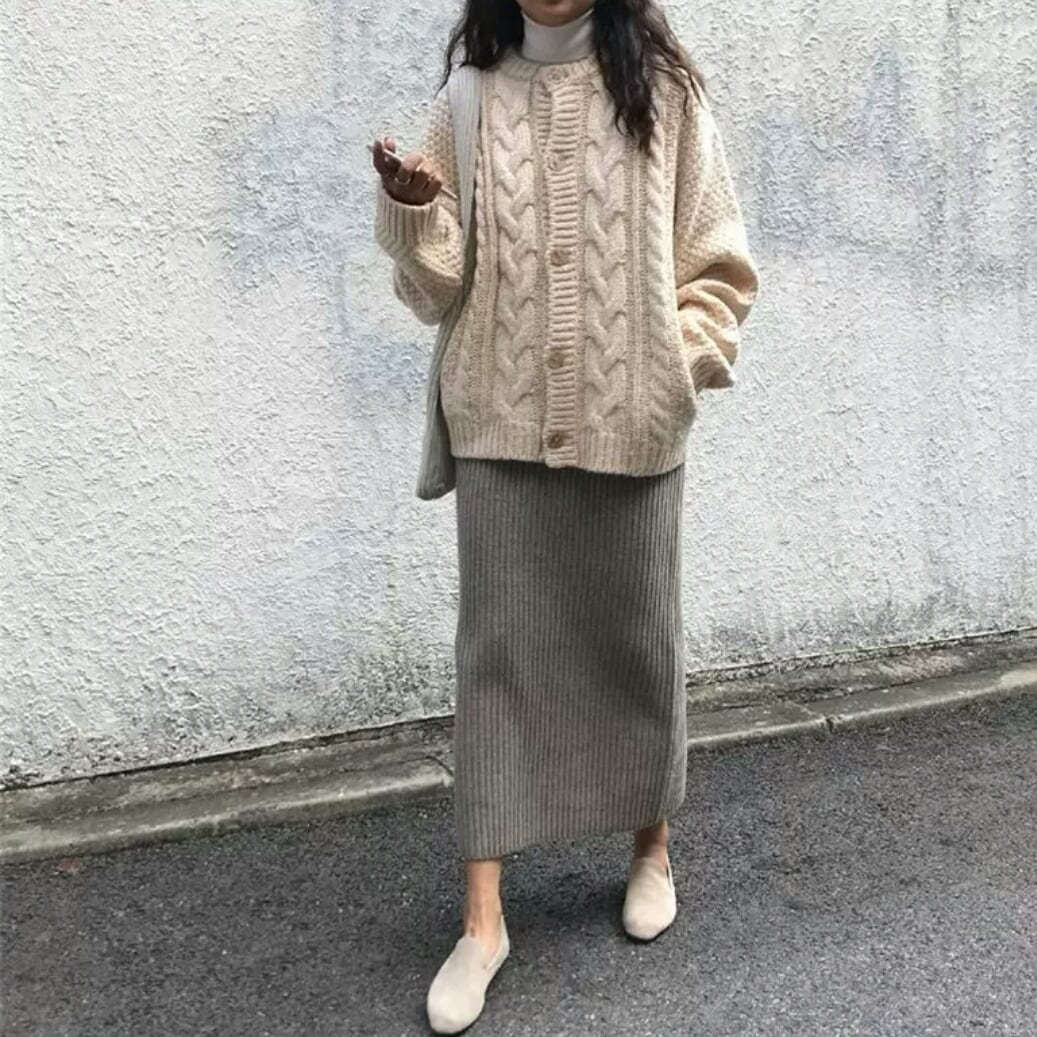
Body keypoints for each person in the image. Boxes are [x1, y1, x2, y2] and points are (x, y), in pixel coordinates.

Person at [371, 0, 759, 1031]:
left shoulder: (665, 96)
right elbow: (435, 289)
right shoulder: (465, 97)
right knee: (496, 662)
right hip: (498, 422)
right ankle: (482, 919)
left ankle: (650, 849)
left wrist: (672, 367)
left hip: (633, 424)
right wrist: (413, 213)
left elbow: (716, 261)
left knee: (636, 641)